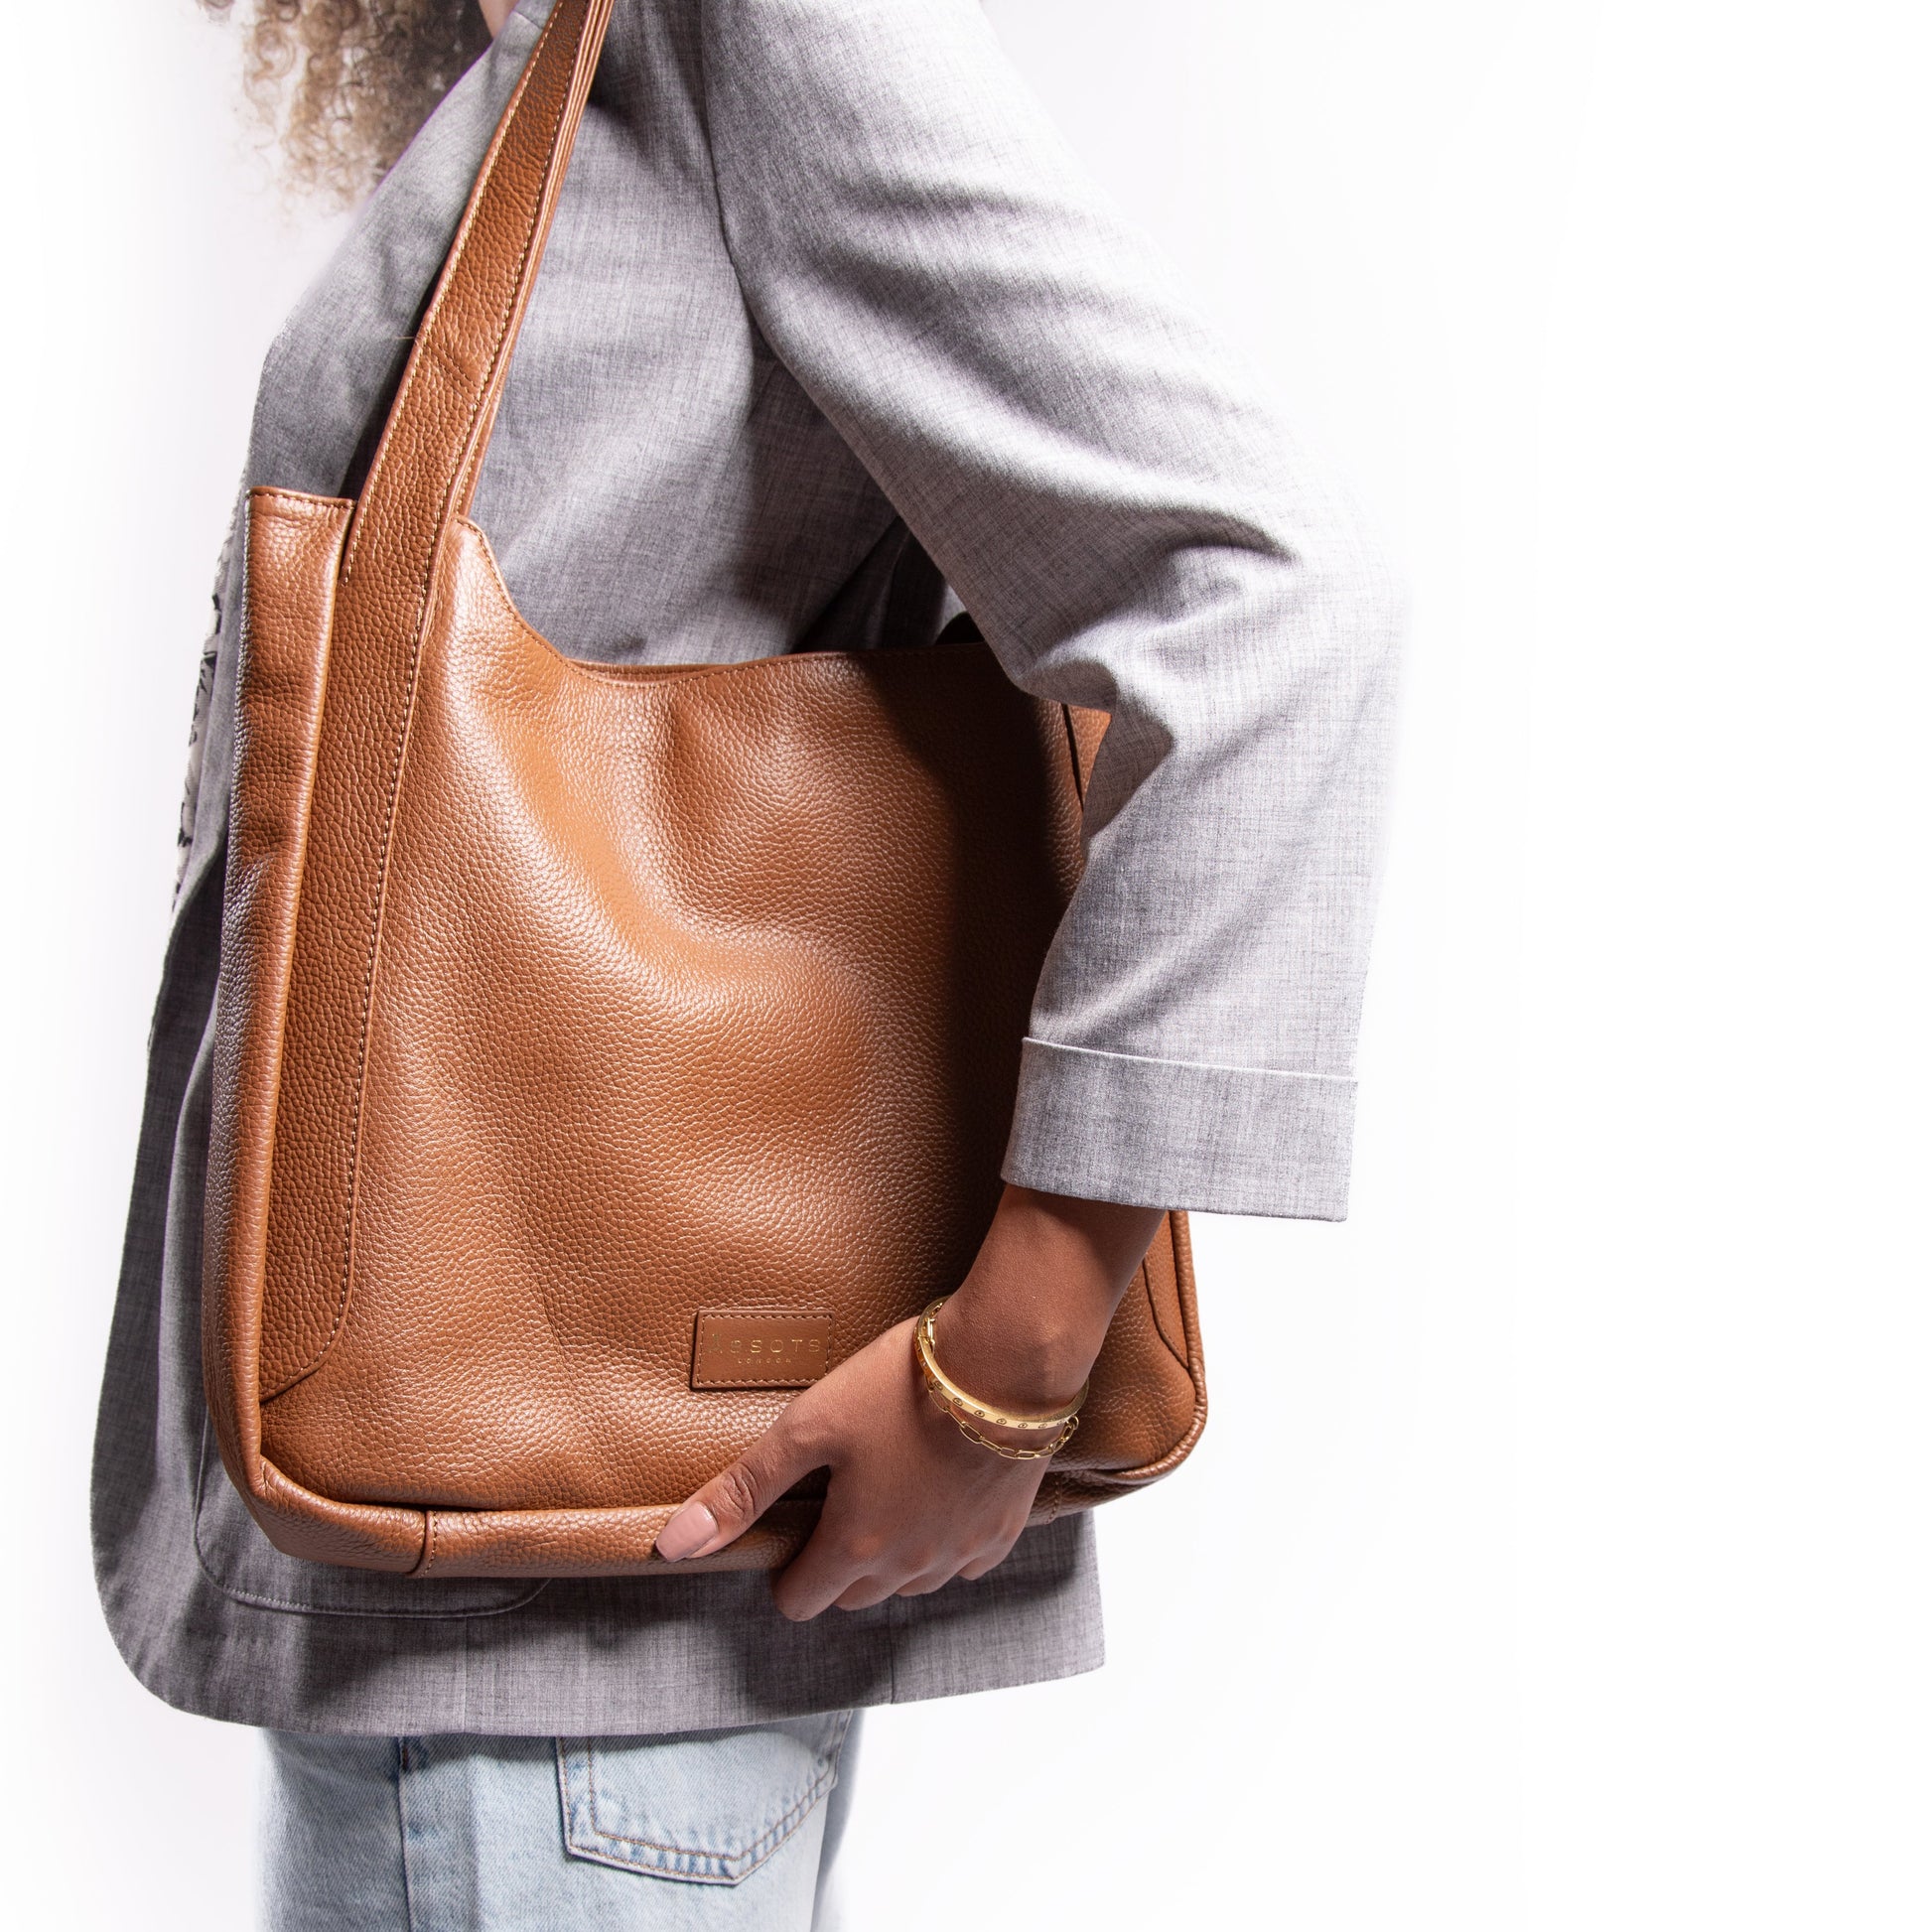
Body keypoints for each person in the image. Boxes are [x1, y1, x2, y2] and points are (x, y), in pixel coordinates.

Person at [94, 0, 1400, 1924]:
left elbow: (1274, 598)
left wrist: (1008, 1370)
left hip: (580, 1640)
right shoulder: (564, 47)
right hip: (493, 1588)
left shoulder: (749, 21)